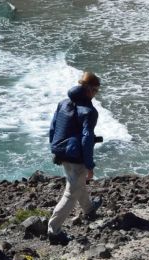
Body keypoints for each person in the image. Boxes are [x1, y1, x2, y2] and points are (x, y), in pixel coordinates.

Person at [47, 72, 104, 242]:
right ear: (89, 90)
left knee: (76, 183)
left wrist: (56, 150)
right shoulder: (89, 111)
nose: (95, 94)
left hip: (62, 151)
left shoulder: (63, 103)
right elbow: (87, 139)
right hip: (76, 156)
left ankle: (89, 209)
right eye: (96, 91)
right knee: (71, 193)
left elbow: (53, 128)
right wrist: (89, 165)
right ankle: (54, 230)